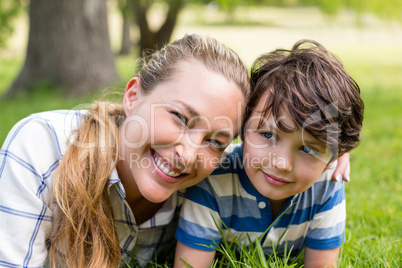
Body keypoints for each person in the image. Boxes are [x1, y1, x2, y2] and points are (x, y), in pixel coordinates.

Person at [0, 34, 251, 268]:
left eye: (216, 142)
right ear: (132, 96)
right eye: (180, 117)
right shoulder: (42, 148)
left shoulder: (211, 188)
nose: (187, 156)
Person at [174, 39, 364, 268]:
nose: (282, 163)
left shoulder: (327, 184)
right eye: (268, 135)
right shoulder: (214, 179)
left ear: (331, 160)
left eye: (308, 149)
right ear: (243, 128)